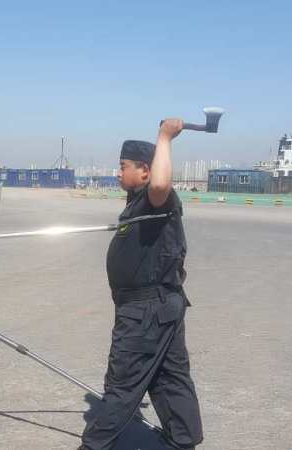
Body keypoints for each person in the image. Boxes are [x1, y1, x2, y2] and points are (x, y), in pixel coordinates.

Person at [79, 120, 203, 450]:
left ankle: (93, 446)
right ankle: (182, 441)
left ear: (145, 171)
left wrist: (165, 137)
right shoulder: (137, 202)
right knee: (170, 377)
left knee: (122, 384)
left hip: (145, 312)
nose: (118, 172)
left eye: (123, 166)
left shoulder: (157, 199)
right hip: (159, 307)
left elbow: (161, 184)